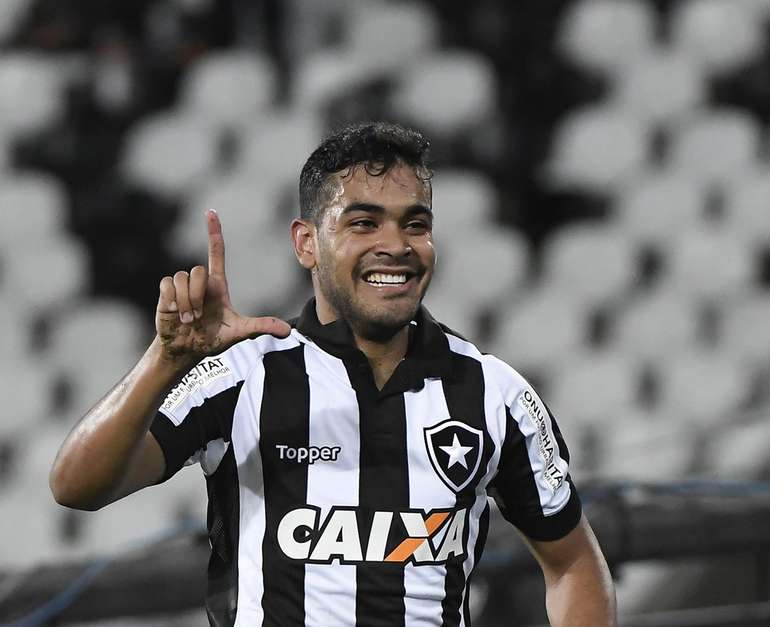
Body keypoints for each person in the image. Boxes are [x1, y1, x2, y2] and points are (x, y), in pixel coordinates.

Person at [50, 122, 616, 626]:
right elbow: (76, 486)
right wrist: (166, 359)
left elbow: (573, 565)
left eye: (415, 224)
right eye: (364, 223)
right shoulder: (241, 378)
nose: (395, 246)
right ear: (307, 243)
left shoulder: (495, 393)